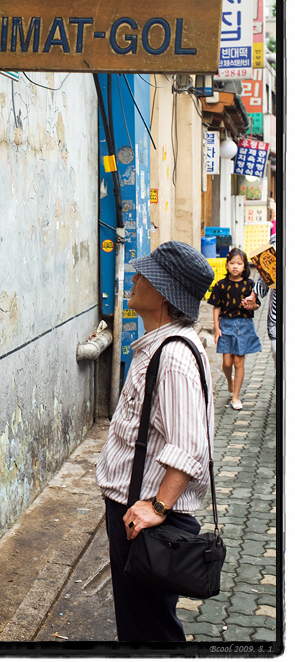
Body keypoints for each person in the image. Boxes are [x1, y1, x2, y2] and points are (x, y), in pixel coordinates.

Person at [95, 240, 215, 642]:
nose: (134, 279)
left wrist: (157, 507)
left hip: (146, 519)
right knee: (141, 627)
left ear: (164, 293)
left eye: (144, 275)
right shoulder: (159, 346)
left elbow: (189, 446)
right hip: (137, 512)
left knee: (149, 633)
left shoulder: (173, 358)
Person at [207, 248, 261, 410]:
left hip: (244, 325)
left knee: (238, 361)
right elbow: (216, 307)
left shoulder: (250, 285)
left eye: (239, 263)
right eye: (232, 263)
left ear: (245, 266)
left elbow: (256, 305)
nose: (235, 266)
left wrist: (253, 305)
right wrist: (216, 328)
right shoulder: (220, 285)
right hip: (226, 325)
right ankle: (229, 381)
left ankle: (235, 397)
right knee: (227, 362)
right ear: (227, 265)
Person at [243, 233, 276, 368]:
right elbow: (266, 273)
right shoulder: (276, 240)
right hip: (277, 309)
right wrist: (253, 295)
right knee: (276, 350)